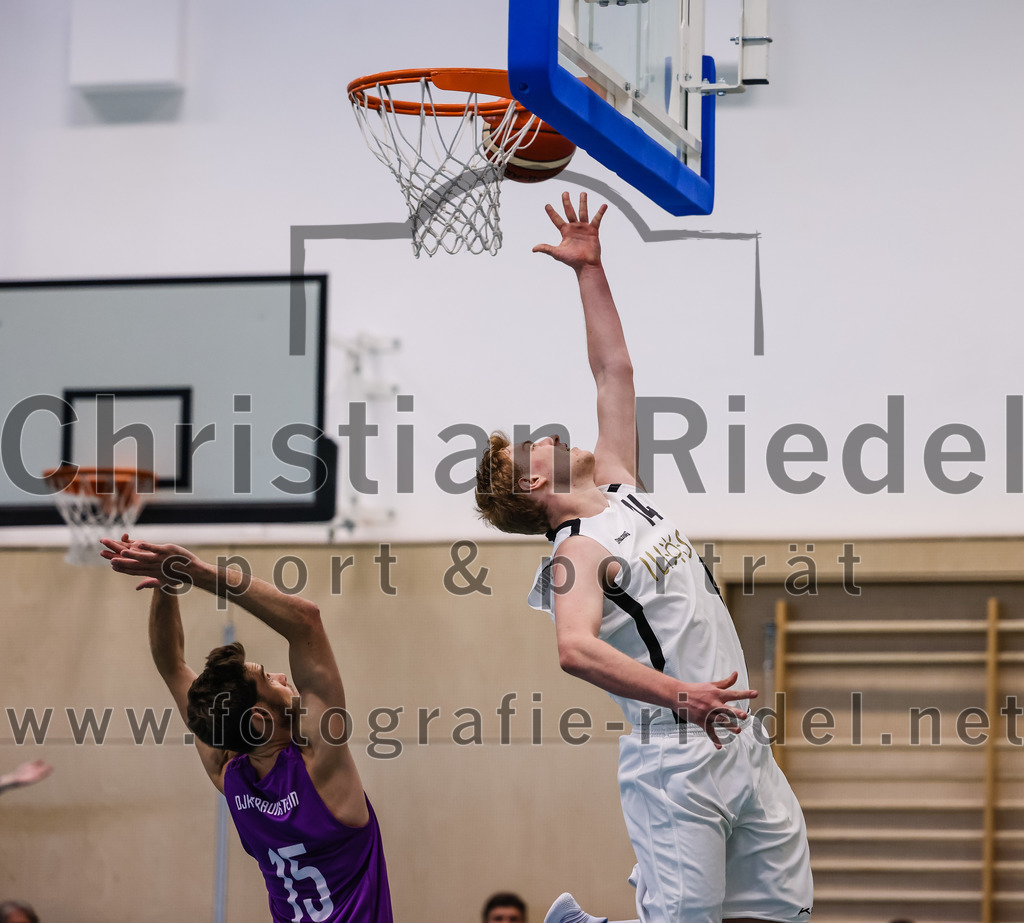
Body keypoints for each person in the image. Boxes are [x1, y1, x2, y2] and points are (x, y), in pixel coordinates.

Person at [475, 194, 813, 923]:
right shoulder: (575, 553)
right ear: (534, 483)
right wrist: (681, 695)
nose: (550, 436)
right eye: (534, 446)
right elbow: (574, 648)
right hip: (676, 753)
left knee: (785, 913)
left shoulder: (617, 485)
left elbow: (614, 371)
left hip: (737, 736)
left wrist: (588, 270)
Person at [100, 535, 392, 923]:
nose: (282, 676)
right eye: (268, 678)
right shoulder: (321, 767)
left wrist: (167, 587)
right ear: (259, 719)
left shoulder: (230, 777)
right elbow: (305, 620)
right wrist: (195, 571)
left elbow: (172, 665)